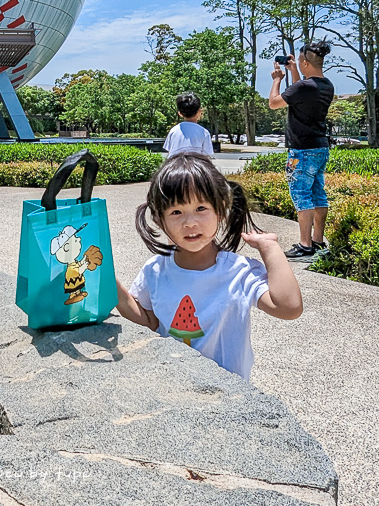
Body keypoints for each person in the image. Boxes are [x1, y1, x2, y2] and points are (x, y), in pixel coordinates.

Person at [116, 153, 302, 381]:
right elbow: (149, 321)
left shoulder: (238, 272)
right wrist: (109, 281)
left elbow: (288, 307)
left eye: (201, 208)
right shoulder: (155, 270)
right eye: (176, 212)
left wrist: (270, 248)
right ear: (158, 219)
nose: (190, 222)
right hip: (172, 385)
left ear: (221, 209)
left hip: (228, 393)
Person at [268, 40, 335, 261]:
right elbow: (300, 94)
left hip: (301, 151)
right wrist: (294, 71)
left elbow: (274, 103)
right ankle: (317, 242)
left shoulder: (304, 87)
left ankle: (304, 245)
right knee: (318, 194)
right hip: (319, 148)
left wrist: (278, 80)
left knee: (301, 195)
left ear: (306, 61)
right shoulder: (326, 85)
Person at [163, 91, 214, 157]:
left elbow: (170, 152)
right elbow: (206, 156)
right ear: (199, 111)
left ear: (180, 113)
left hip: (176, 166)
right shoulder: (204, 132)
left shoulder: (173, 131)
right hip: (195, 166)